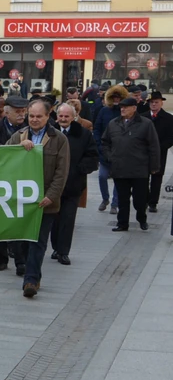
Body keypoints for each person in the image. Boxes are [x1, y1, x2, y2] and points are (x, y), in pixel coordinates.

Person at [7, 99, 70, 298]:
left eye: (38, 116)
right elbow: (3, 159)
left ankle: (31, 280)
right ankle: (32, 273)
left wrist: (51, 196)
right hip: (22, 201)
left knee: (38, 242)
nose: (34, 120)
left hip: (45, 203)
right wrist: (18, 147)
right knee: (23, 241)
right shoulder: (18, 135)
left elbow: (62, 172)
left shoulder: (59, 139)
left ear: (47, 116)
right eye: (31, 116)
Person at [49, 104, 98, 265]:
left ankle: (64, 251)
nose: (63, 119)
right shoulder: (50, 132)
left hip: (73, 184)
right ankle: (56, 247)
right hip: (53, 184)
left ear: (74, 116)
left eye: (67, 116)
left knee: (68, 219)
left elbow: (92, 155)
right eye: (61, 116)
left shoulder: (83, 134)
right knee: (54, 219)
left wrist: (80, 170)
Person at [102, 97, 160, 232]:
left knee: (140, 200)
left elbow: (154, 146)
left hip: (139, 169)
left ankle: (142, 218)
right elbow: (105, 142)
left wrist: (154, 167)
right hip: (120, 168)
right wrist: (110, 157)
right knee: (122, 199)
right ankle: (122, 223)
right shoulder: (113, 124)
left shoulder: (145, 124)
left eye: (126, 107)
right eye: (121, 107)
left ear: (134, 108)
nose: (122, 109)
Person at [0, 97, 29, 273]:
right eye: (17, 111)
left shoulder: (30, 131)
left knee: (19, 221)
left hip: (21, 180)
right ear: (7, 112)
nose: (21, 115)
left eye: (23, 111)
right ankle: (0, 258)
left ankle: (21, 261)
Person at [93, 85, 127, 214]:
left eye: (119, 97)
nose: (116, 99)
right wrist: (98, 143)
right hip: (104, 150)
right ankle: (105, 199)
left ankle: (115, 203)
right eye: (114, 97)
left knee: (118, 178)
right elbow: (97, 128)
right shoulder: (104, 111)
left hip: (120, 151)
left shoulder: (124, 112)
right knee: (102, 176)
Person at [147, 91, 173, 213]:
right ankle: (144, 199)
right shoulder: (143, 116)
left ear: (161, 103)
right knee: (143, 177)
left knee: (157, 178)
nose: (154, 104)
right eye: (152, 102)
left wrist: (162, 147)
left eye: (156, 102)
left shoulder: (168, 118)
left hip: (160, 153)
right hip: (143, 153)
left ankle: (153, 202)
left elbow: (171, 137)